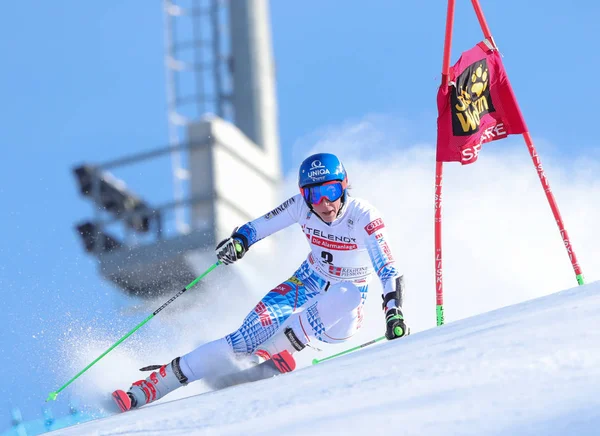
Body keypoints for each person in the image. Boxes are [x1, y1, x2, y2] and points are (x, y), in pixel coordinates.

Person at [112, 152, 409, 412]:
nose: (324, 203)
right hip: (308, 280)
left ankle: (265, 356)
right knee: (246, 334)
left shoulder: (363, 216)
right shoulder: (301, 207)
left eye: (331, 190)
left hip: (344, 309)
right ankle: (148, 389)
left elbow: (388, 268)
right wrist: (240, 241)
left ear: (344, 186)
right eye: (313, 195)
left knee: (347, 293)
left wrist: (393, 311)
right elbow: (260, 226)